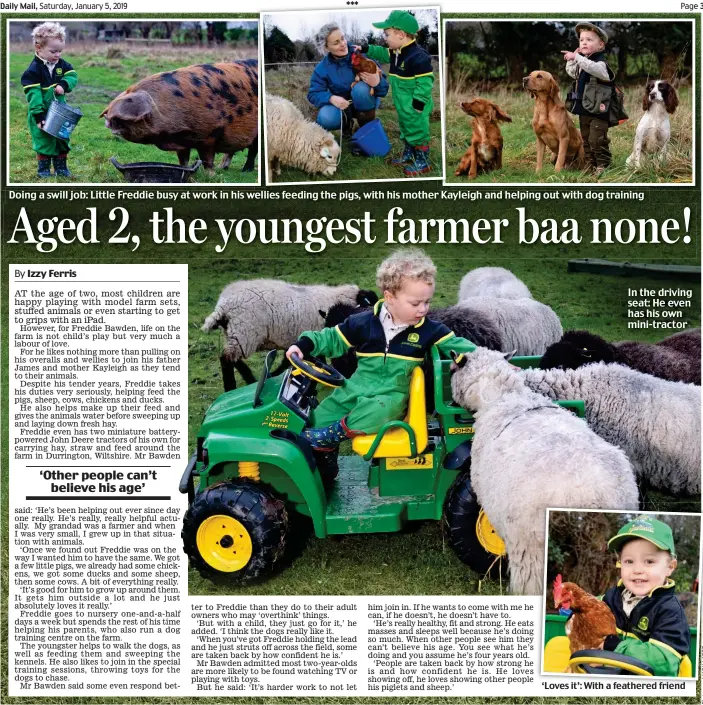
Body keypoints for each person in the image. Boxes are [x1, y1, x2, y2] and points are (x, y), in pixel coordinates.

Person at [286, 250, 476, 486]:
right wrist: (304, 345)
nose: (423, 309)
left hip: (391, 396)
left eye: (427, 302)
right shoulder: (364, 323)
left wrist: (496, 363)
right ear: (390, 297)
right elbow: (331, 338)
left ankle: (332, 435)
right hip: (356, 387)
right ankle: (325, 464)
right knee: (317, 418)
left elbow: (463, 347)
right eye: (415, 303)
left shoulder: (430, 330)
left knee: (379, 412)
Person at [602, 515, 691, 677]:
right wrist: (577, 614)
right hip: (610, 671)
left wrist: (615, 646)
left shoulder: (670, 611)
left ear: (670, 567)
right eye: (629, 561)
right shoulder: (612, 596)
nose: (637, 570)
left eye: (649, 562)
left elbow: (664, 662)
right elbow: (591, 610)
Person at [357, 10, 435, 176]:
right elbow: (380, 52)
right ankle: (409, 153)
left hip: (415, 106)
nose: (385, 38)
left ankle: (423, 159)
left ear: (400, 34)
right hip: (402, 104)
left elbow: (426, 82)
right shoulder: (395, 52)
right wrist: (365, 48)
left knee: (418, 130)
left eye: (387, 34)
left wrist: (418, 103)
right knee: (406, 128)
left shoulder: (418, 57)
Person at [307, 23, 388, 135]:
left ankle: (367, 130)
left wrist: (377, 83)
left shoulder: (360, 53)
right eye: (336, 43)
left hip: (365, 101)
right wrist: (331, 98)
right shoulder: (322, 68)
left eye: (342, 38)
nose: (343, 44)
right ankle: (346, 125)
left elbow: (384, 89)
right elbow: (313, 94)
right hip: (342, 106)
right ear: (326, 48)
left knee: (360, 89)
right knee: (326, 117)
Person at [21, 22, 78, 178]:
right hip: (42, 112)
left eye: (60, 51)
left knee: (62, 139)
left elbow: (72, 75)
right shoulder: (32, 71)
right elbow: (34, 97)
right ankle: (44, 170)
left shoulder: (61, 64)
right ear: (38, 48)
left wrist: (64, 84)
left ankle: (61, 168)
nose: (58, 55)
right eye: (53, 51)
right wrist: (39, 116)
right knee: (44, 140)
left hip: (60, 112)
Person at [563, 22, 614, 176]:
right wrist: (572, 60)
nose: (584, 42)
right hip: (584, 108)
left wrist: (578, 57)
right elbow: (573, 73)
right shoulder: (583, 62)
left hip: (599, 110)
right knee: (585, 138)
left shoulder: (600, 64)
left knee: (596, 138)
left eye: (589, 40)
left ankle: (603, 164)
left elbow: (594, 69)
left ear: (601, 45)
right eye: (581, 39)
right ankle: (590, 164)